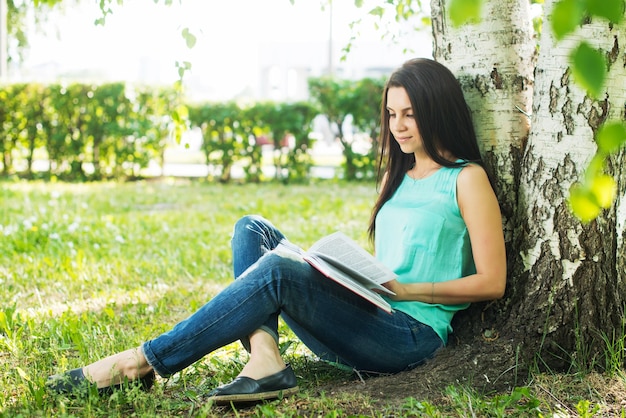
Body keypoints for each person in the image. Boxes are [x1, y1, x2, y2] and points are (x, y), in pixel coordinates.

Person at [47, 58, 506, 405]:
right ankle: (265, 359)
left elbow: (492, 282)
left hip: (410, 335)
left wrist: (407, 289)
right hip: (368, 316)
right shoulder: (397, 176)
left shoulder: (466, 179)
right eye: (391, 114)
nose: (398, 126)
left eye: (410, 114)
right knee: (253, 230)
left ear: (437, 110)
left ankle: (142, 361)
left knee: (279, 272)